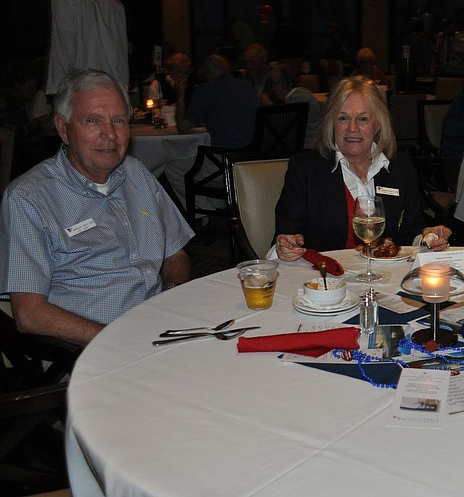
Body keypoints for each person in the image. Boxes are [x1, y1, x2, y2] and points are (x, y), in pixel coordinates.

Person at [0, 69, 194, 346]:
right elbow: (30, 314)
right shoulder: (29, 198)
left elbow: (176, 255)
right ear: (63, 128)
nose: (110, 135)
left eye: (118, 120)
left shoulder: (136, 173)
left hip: (159, 330)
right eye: (93, 121)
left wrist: (175, 298)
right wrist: (120, 342)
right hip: (88, 347)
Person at [273, 76, 451, 261]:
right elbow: (286, 236)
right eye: (343, 118)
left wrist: (428, 239)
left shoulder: (400, 167)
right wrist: (286, 247)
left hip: (385, 278)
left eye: (363, 119)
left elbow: (409, 232)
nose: (352, 128)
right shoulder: (305, 169)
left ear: (378, 125)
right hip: (326, 280)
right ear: (332, 123)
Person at [166, 54, 257, 214]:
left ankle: (205, 213)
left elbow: (183, 128)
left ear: (208, 72)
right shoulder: (247, 85)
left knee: (173, 170)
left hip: (224, 161)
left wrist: (180, 96)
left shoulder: (206, 90)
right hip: (251, 157)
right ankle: (220, 210)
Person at [268, 62, 323, 148]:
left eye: (274, 83)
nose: (272, 88)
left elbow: (283, 129)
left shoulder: (299, 97)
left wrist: (269, 105)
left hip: (307, 147)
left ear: (284, 83)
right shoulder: (300, 95)